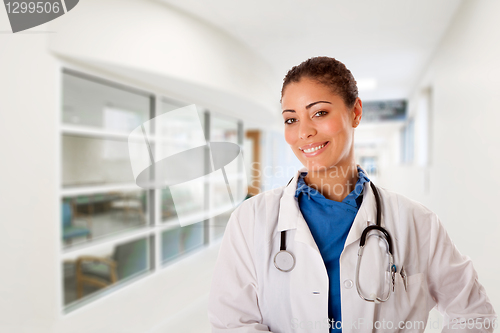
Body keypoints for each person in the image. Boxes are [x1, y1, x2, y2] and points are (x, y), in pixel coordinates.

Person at [207, 56, 496, 332]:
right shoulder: (250, 219)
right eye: (291, 119)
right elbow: (231, 322)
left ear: (355, 112)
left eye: (319, 113)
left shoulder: (415, 221)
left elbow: (473, 313)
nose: (304, 132)